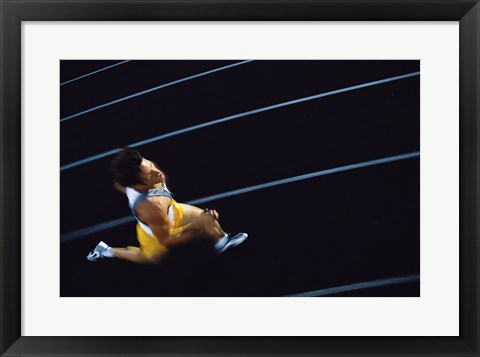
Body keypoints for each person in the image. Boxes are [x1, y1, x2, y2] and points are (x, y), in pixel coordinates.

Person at [87, 148, 248, 264]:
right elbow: (167, 240)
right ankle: (107, 251)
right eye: (149, 174)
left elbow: (119, 183)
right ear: (137, 186)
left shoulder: (139, 170)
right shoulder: (150, 208)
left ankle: (222, 241)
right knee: (152, 258)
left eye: (149, 165)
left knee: (206, 220)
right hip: (157, 232)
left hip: (171, 209)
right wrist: (198, 225)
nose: (157, 173)